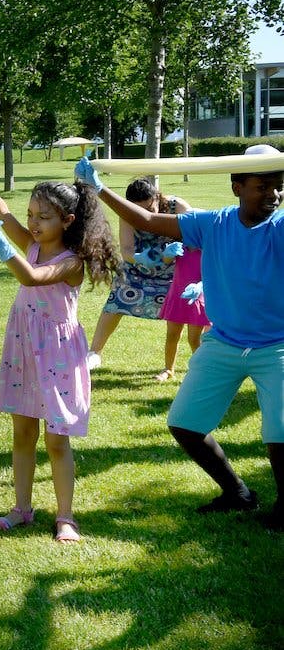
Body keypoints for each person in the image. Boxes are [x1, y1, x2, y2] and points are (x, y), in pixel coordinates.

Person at [77, 147, 284, 527]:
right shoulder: (213, 223)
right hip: (223, 342)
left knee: (281, 433)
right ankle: (237, 493)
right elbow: (151, 220)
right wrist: (98, 188)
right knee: (185, 425)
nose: (273, 194)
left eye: (279, 186)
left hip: (277, 347)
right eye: (262, 186)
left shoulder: (281, 225)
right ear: (237, 186)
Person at [0, 173, 117, 544]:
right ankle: (21, 509)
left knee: (56, 440)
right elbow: (3, 213)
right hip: (24, 347)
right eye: (31, 213)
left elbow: (31, 278)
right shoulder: (31, 241)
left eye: (43, 216)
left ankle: (66, 517)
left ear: (67, 221)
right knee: (23, 433)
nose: (32, 223)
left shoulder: (71, 261)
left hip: (58, 355)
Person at [85, 178, 187, 372]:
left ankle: (176, 365)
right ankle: (94, 353)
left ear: (157, 197)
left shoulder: (177, 206)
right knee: (116, 300)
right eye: (138, 210)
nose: (144, 215)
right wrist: (143, 259)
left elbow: (197, 230)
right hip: (139, 268)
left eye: (149, 208)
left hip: (175, 269)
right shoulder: (127, 213)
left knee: (186, 312)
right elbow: (127, 251)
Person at [155, 237, 209, 382]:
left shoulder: (207, 250)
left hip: (196, 298)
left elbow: (212, 275)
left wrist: (200, 286)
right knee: (172, 335)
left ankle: (202, 370)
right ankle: (168, 369)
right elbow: (165, 262)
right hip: (177, 296)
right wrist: (167, 254)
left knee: (194, 339)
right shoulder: (180, 248)